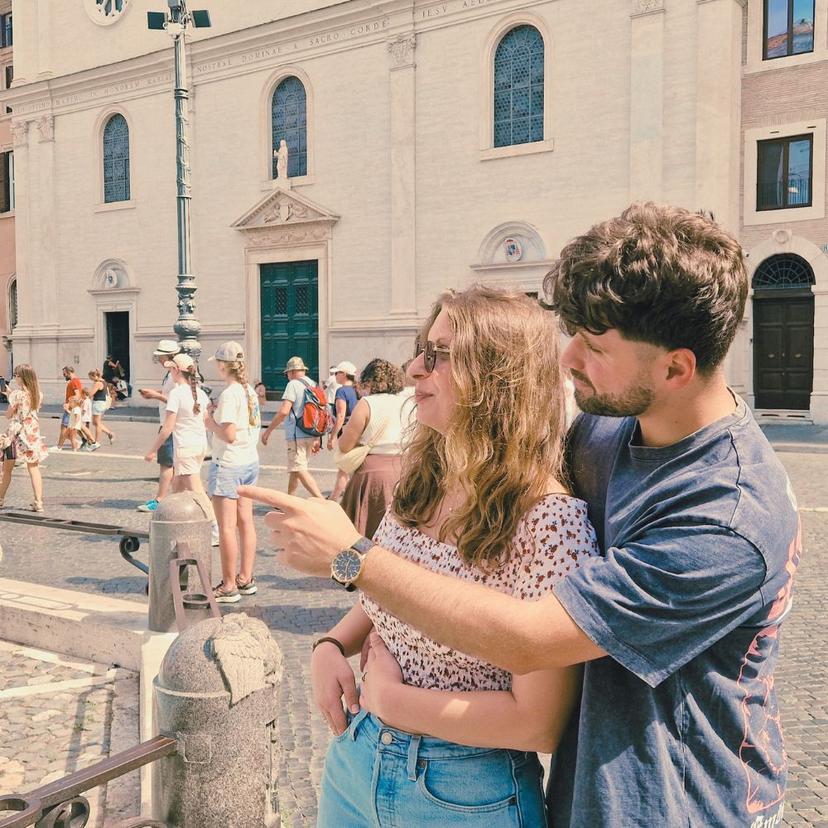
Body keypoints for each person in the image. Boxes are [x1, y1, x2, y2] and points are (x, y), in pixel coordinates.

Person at [243, 204, 801, 828]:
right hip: (583, 791)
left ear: (675, 367)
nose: (565, 361)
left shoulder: (729, 515)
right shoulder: (604, 429)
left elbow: (532, 637)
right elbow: (465, 548)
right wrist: (339, 637)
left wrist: (354, 561)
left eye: (593, 346)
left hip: (678, 803)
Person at [244, 287, 598, 825]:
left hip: (466, 790)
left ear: (497, 376)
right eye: (421, 350)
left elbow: (537, 723)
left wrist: (389, 699)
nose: (414, 369)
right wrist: (332, 643)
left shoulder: (550, 520)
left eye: (438, 355)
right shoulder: (422, 481)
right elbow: (400, 588)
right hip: (356, 759)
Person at [205, 341, 261, 603]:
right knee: (245, 522)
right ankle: (246, 578)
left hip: (228, 463)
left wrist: (209, 421)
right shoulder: (249, 390)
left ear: (223, 365)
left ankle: (228, 585)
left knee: (227, 527)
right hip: (249, 461)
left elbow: (227, 434)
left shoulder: (229, 393)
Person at [144, 353, 218, 543]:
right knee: (178, 487)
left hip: (185, 447)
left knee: (197, 491)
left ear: (176, 370)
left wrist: (153, 450)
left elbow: (167, 427)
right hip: (199, 445)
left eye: (170, 369)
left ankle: (215, 530)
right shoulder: (200, 394)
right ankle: (173, 524)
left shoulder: (177, 394)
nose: (169, 372)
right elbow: (206, 420)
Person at [338, 358, 407, 539]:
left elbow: (345, 445)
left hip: (372, 476)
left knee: (361, 535)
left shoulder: (367, 403)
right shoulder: (407, 402)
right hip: (406, 472)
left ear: (369, 381)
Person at [260, 356, 325, 499]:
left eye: (287, 373)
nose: (287, 376)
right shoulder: (313, 384)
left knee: (299, 469)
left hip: (297, 434)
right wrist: (318, 438)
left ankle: (321, 499)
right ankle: (290, 500)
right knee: (295, 469)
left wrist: (268, 432)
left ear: (292, 372)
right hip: (312, 432)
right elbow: (321, 412)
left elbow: (284, 411)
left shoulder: (293, 384)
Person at [136, 340, 181, 512]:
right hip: (170, 422)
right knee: (175, 465)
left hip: (169, 423)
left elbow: (178, 401)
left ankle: (160, 500)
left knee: (166, 464)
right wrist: (155, 393)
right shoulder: (172, 374)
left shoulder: (174, 375)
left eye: (160, 357)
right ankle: (176, 498)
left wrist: (156, 395)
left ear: (169, 356)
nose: (159, 360)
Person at [0, 364, 49, 512]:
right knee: (33, 468)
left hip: (16, 434)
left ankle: (0, 499)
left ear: (23, 377)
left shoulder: (17, 394)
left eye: (17, 375)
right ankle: (38, 502)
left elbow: (8, 415)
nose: (15, 378)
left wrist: (10, 397)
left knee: (7, 468)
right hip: (32, 434)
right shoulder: (38, 394)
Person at [326, 360, 358, 502]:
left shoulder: (341, 391)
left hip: (345, 431)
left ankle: (333, 499)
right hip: (357, 429)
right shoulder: (356, 391)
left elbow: (340, 415)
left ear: (344, 374)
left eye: (337, 373)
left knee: (343, 467)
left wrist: (332, 437)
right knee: (351, 466)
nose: (335, 375)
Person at [54, 366, 84, 450]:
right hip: (71, 407)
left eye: (64, 374)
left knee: (64, 427)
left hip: (70, 408)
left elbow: (77, 395)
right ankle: (76, 442)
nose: (64, 376)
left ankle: (59, 446)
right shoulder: (75, 381)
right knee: (66, 428)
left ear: (68, 372)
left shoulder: (74, 381)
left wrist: (69, 404)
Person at [87, 370, 115, 446]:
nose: (91, 380)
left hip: (98, 403)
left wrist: (87, 391)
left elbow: (91, 394)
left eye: (91, 378)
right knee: (95, 422)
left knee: (97, 424)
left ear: (94, 376)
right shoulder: (104, 382)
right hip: (102, 403)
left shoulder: (98, 383)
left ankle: (97, 442)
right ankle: (110, 433)